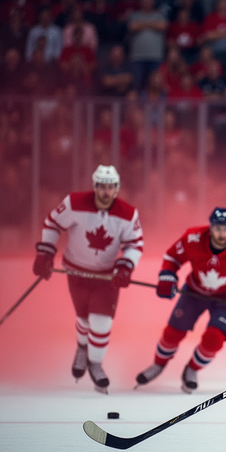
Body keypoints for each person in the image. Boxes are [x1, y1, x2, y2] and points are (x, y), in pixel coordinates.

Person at [135, 208, 226, 393]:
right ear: (210, 227)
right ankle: (158, 364)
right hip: (194, 293)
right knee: (172, 333)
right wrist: (167, 275)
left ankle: (191, 370)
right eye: (218, 228)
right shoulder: (193, 238)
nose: (222, 233)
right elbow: (172, 257)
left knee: (214, 339)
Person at [32, 165, 144, 393]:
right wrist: (46, 250)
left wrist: (126, 265)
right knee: (84, 319)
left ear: (117, 188)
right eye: (102, 186)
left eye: (111, 187)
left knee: (101, 321)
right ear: (95, 186)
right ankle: (82, 348)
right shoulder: (74, 203)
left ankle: (96, 364)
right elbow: (53, 223)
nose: (106, 192)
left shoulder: (128, 213)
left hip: (106, 276)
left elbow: (135, 243)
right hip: (76, 271)